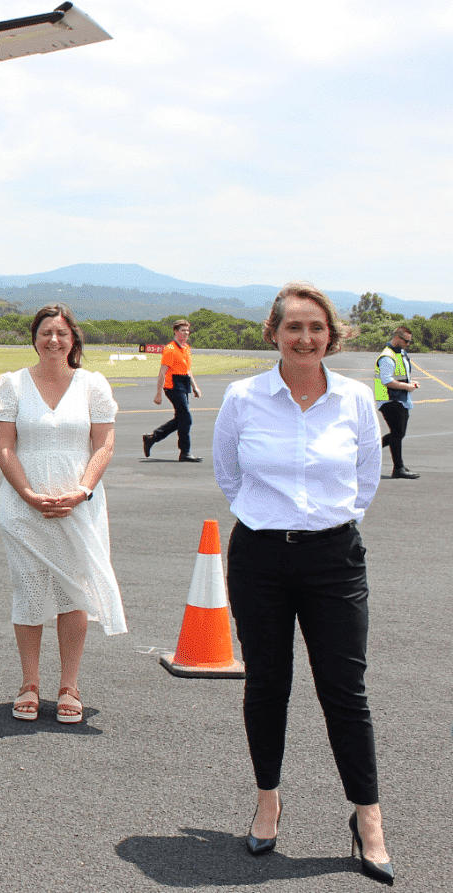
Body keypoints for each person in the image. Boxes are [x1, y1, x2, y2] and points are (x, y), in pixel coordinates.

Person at [213, 281, 393, 884]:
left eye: (316, 328)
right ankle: (268, 800)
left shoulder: (353, 398)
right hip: (260, 558)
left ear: (331, 335)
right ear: (275, 333)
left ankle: (367, 817)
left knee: (345, 689)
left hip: (334, 558)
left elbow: (367, 473)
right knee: (268, 684)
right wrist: (273, 523)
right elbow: (228, 473)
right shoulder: (243, 397)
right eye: (294, 327)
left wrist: (326, 523)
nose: (306, 338)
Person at [0, 303, 126, 725]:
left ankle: (69, 684)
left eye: (61, 334)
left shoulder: (93, 385)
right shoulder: (11, 385)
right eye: (46, 332)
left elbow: (103, 444)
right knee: (29, 592)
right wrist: (28, 493)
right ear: (34, 337)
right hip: (23, 508)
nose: (53, 340)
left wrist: (82, 491)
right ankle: (29, 682)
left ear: (73, 340)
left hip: (78, 506)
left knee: (74, 593)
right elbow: (4, 446)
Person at [143, 319, 203, 462]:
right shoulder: (170, 349)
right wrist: (158, 393)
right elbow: (162, 372)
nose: (186, 333)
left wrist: (195, 387)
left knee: (181, 419)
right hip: (172, 385)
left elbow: (188, 370)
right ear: (176, 332)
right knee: (186, 418)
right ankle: (185, 452)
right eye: (183, 330)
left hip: (184, 383)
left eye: (188, 331)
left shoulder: (186, 348)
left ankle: (152, 438)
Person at [375, 324, 420, 480]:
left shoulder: (401, 354)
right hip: (389, 399)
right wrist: (407, 387)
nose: (408, 344)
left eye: (409, 341)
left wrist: (410, 383)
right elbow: (387, 380)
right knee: (398, 433)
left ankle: (367, 450)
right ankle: (398, 468)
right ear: (396, 337)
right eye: (406, 341)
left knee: (398, 433)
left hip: (400, 399)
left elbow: (399, 376)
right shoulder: (387, 357)